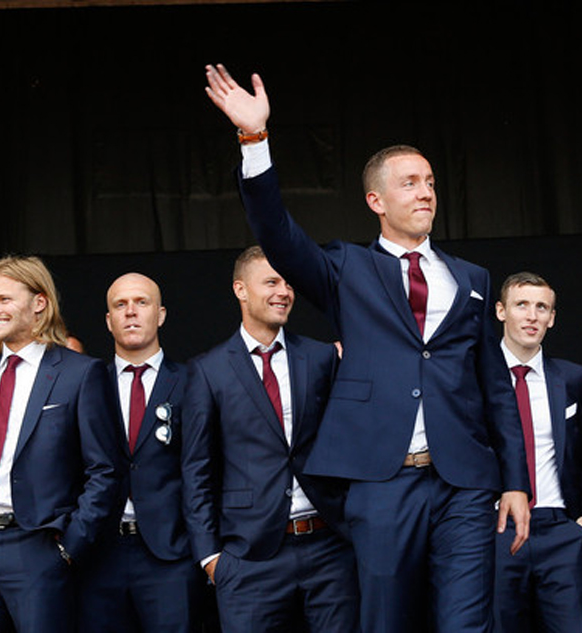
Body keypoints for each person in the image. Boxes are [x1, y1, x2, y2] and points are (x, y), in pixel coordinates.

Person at [204, 64, 530, 633]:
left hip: (464, 483)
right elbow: (277, 233)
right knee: (384, 621)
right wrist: (254, 140)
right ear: (375, 200)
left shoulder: (472, 277)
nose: (425, 191)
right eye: (409, 182)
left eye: (429, 181)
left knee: (467, 623)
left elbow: (495, 384)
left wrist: (515, 480)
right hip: (383, 483)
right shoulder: (345, 269)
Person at [0, 255, 125, 633]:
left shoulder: (80, 373)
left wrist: (68, 548)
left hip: (36, 547)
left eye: (4, 299)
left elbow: (105, 470)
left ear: (39, 303)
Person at [182, 246, 359, 631]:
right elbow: (197, 468)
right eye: (271, 282)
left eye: (288, 282)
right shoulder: (207, 371)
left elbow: (346, 443)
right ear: (240, 290)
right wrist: (210, 557)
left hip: (328, 546)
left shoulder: (320, 358)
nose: (284, 291)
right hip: (248, 556)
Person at [77, 273, 205, 632]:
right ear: (108, 320)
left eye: (141, 303)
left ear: (161, 314)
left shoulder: (194, 380)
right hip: (99, 553)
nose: (130, 312)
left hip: (171, 555)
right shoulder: (85, 383)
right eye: (120, 305)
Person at [492, 272, 582, 632]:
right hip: (496, 528)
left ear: (552, 317)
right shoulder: (471, 375)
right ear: (501, 311)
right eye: (522, 305)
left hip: (558, 528)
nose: (532, 315)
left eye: (542, 307)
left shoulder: (573, 378)